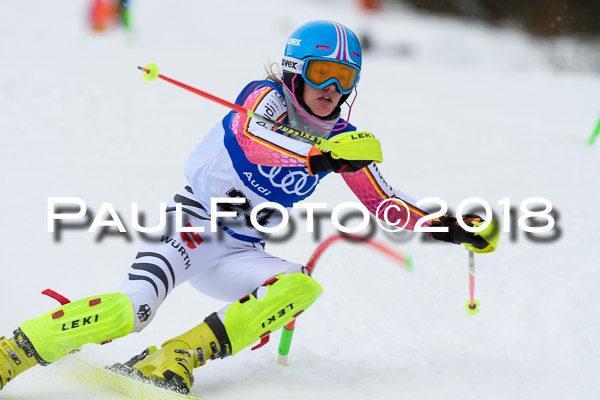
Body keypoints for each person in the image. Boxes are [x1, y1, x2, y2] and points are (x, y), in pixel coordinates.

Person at [0, 20, 498, 394]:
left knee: (300, 284)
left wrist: (451, 227)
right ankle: (12, 352)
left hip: (241, 249)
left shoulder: (344, 140)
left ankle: (175, 358)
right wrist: (318, 157)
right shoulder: (266, 99)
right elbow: (249, 140)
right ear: (294, 71)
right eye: (321, 74)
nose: (330, 91)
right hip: (191, 228)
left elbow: (384, 203)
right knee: (132, 311)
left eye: (343, 78)